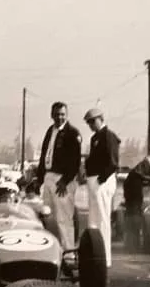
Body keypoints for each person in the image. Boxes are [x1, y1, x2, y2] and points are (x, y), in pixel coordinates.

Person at [35, 102, 82, 250]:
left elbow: (75, 161)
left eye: (62, 114)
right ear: (51, 115)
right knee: (48, 216)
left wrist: (65, 181)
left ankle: (68, 251)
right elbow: (44, 156)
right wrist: (39, 179)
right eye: (56, 114)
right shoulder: (50, 131)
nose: (59, 117)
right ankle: (51, 250)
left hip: (63, 180)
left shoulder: (72, 133)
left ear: (67, 115)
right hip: (49, 177)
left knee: (64, 218)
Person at [84, 107, 120, 268]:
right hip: (94, 180)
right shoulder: (95, 138)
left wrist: (101, 179)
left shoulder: (108, 136)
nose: (91, 124)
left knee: (103, 219)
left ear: (101, 119)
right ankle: (94, 254)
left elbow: (113, 163)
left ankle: (105, 258)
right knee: (93, 219)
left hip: (102, 181)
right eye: (89, 122)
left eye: (93, 121)